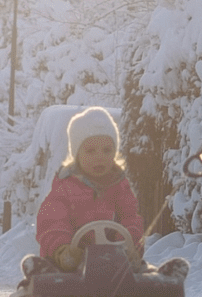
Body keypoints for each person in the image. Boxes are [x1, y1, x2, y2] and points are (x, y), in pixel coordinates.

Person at [36, 107, 145, 271]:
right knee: (49, 269)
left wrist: (127, 245)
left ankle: (167, 276)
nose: (99, 157)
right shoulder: (65, 187)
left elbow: (130, 218)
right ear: (77, 154)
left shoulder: (120, 187)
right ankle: (39, 269)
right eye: (91, 151)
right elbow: (52, 221)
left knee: (139, 268)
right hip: (72, 259)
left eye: (107, 150)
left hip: (112, 258)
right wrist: (63, 248)